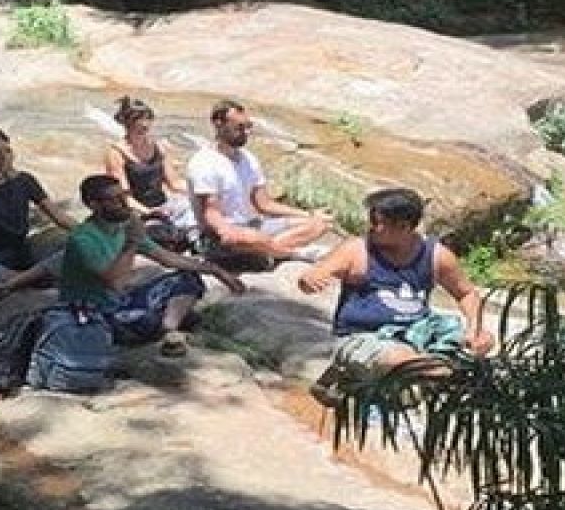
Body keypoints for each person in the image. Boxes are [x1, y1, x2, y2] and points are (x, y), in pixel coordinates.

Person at [297, 187, 495, 405]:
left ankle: (428, 375)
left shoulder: (437, 256)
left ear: (405, 227)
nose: (371, 227)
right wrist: (309, 280)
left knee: (481, 343)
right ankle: (441, 375)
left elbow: (466, 293)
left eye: (377, 222)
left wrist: (475, 329)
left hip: (416, 331)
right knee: (400, 359)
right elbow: (312, 276)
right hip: (363, 336)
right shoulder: (356, 251)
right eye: (370, 219)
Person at [62, 175, 245, 357]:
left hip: (120, 301)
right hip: (95, 313)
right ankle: (162, 329)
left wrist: (215, 269)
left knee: (188, 278)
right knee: (148, 319)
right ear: (94, 205)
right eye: (115, 200)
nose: (124, 204)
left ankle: (168, 331)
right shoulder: (83, 239)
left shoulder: (122, 228)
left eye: (124, 196)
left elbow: (166, 257)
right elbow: (115, 282)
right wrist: (131, 243)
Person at [185, 99, 332, 267]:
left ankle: (269, 251)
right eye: (240, 127)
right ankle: (291, 252)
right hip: (221, 235)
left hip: (253, 225)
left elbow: (264, 203)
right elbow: (211, 212)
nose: (246, 132)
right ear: (218, 124)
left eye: (248, 126)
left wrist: (309, 215)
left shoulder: (248, 158)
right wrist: (225, 230)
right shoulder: (204, 162)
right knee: (252, 238)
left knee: (320, 224)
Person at [0, 128, 76, 296]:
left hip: (23, 248)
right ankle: (32, 278)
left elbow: (58, 216)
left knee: (71, 244)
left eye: (8, 151)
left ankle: (16, 282)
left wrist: (90, 234)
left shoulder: (24, 180)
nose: (4, 157)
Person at [103, 96, 195, 249]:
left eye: (147, 119)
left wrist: (198, 192)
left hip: (163, 205)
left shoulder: (159, 147)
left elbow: (174, 184)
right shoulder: (116, 153)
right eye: (139, 120)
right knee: (159, 232)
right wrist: (149, 212)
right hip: (137, 211)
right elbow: (124, 198)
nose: (144, 124)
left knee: (195, 210)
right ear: (127, 123)